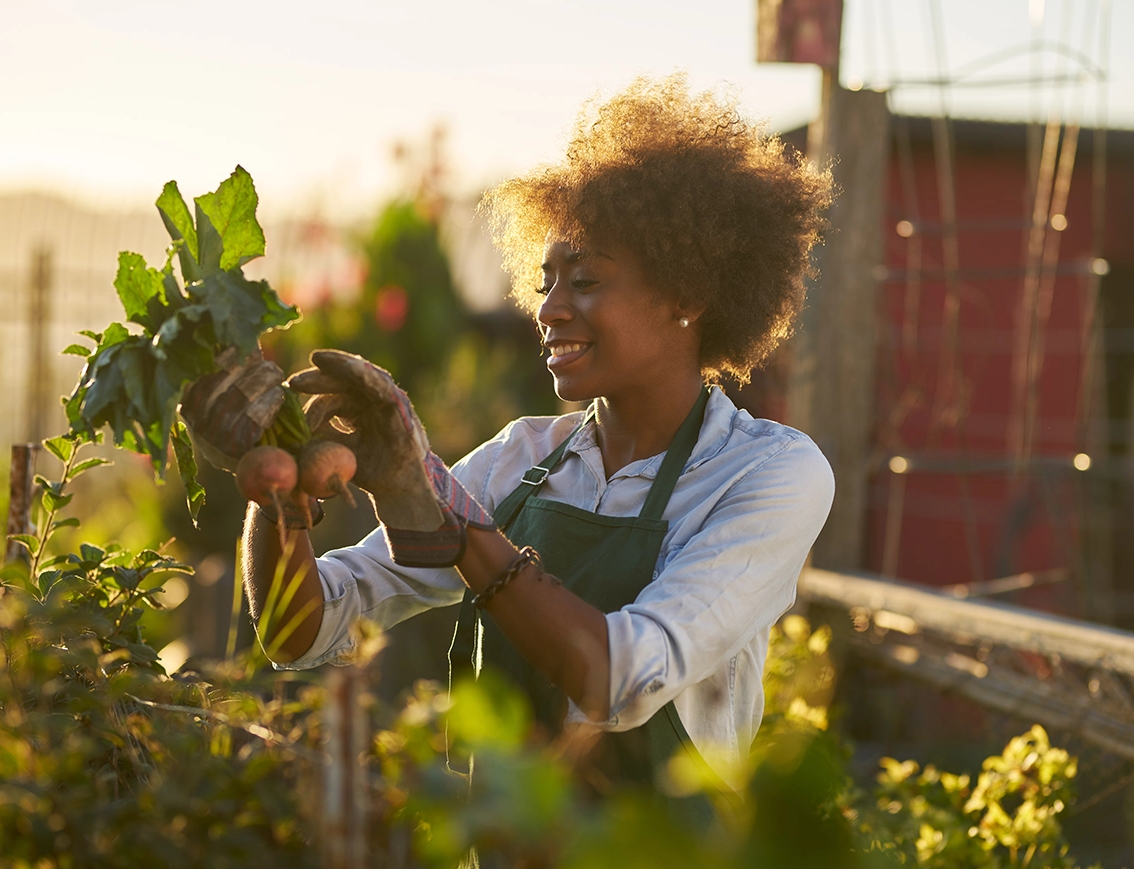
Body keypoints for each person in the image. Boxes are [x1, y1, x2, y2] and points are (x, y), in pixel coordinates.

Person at [186, 75, 834, 814]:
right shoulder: (521, 458)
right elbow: (301, 631)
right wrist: (279, 496)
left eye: (585, 280)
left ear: (687, 295)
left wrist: (457, 525)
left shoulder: (768, 473)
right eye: (544, 280)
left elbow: (620, 677)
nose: (549, 309)